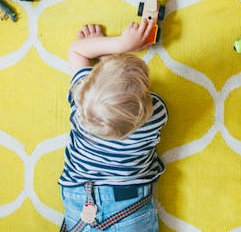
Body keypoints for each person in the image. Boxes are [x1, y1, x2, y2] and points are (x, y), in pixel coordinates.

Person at [58, 19, 168, 232]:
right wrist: (110, 59)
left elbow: (76, 51)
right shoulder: (155, 113)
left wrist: (116, 45)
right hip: (127, 203)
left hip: (79, 195)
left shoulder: (81, 104)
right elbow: (128, 101)